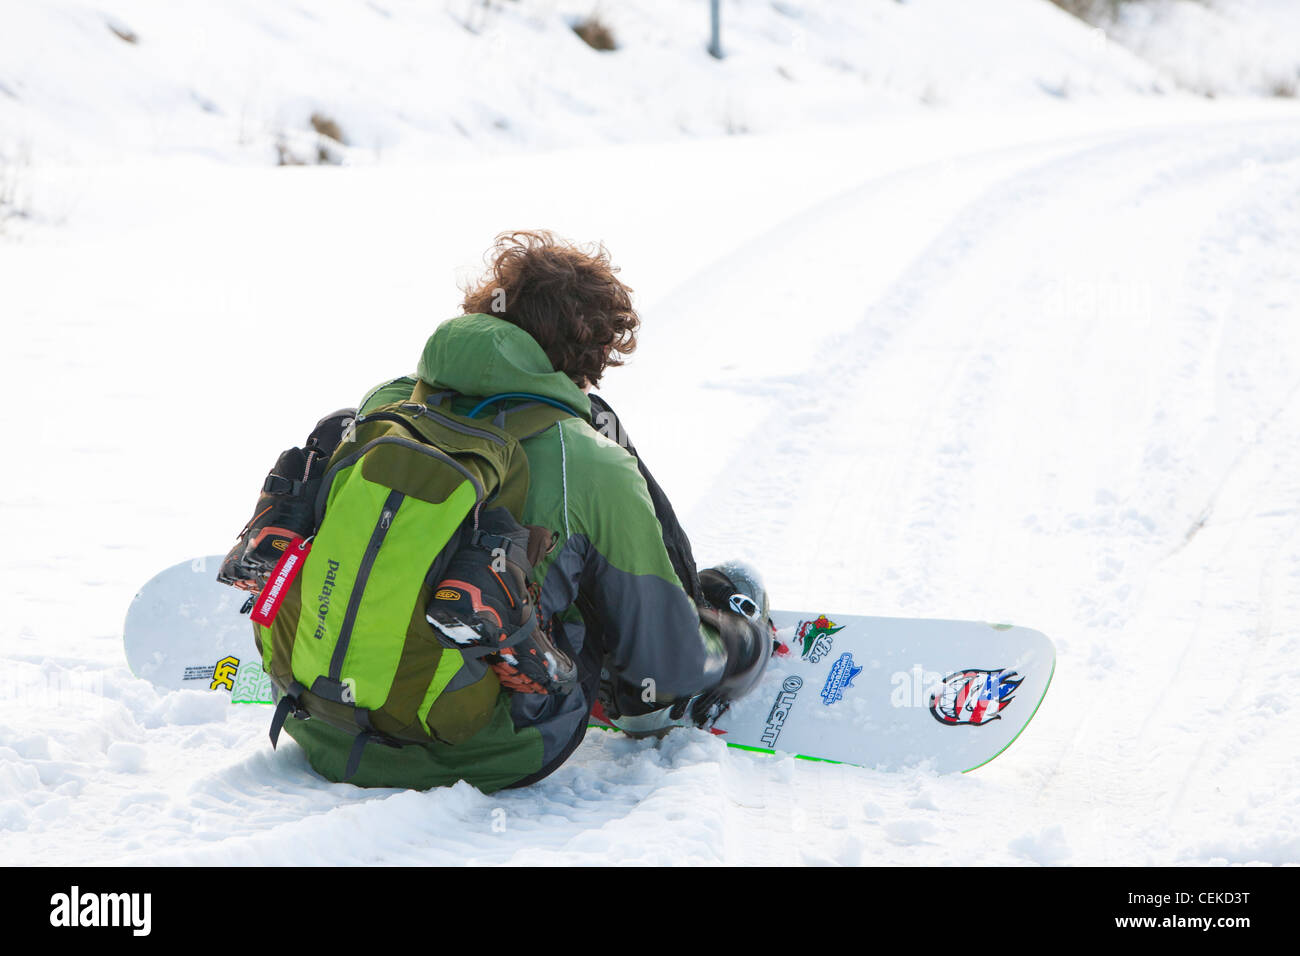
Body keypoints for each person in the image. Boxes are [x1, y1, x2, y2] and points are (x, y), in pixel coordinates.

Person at [243, 230, 772, 792]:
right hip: (481, 749)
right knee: (588, 565)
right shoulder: (588, 459)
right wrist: (739, 644)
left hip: (317, 726)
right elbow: (670, 668)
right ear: (589, 355)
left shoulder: (384, 405)